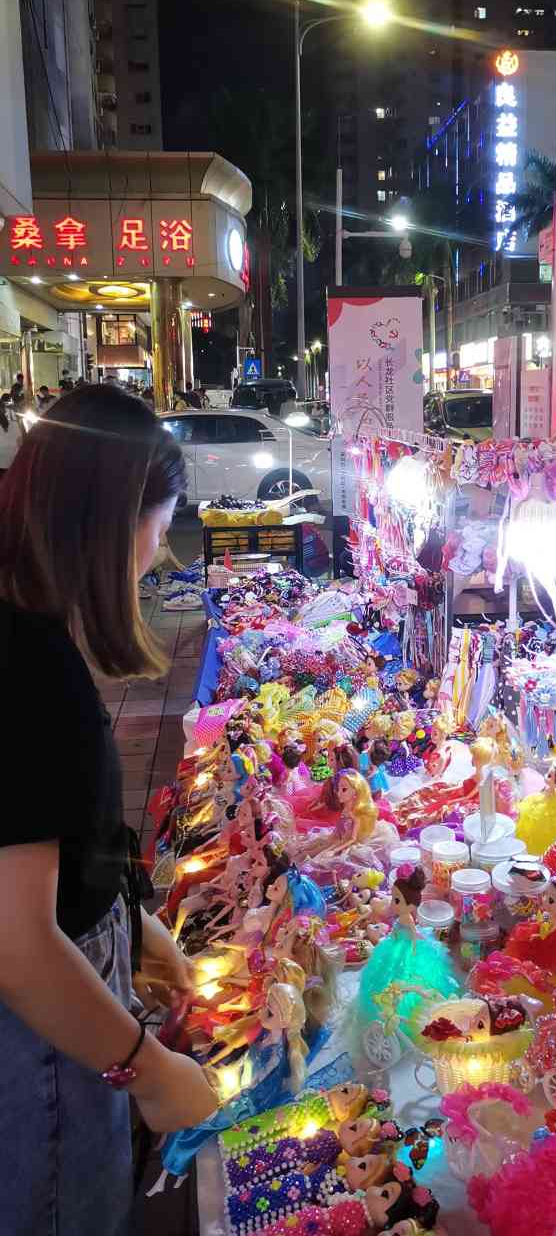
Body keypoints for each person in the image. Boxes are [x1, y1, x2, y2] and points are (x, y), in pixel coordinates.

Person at [0, 386, 216, 1235]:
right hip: (39, 1046)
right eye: (158, 530)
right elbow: (19, 949)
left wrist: (134, 927)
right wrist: (152, 1072)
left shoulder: (30, 631)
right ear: (108, 521)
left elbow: (44, 834)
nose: (157, 555)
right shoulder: (26, 666)